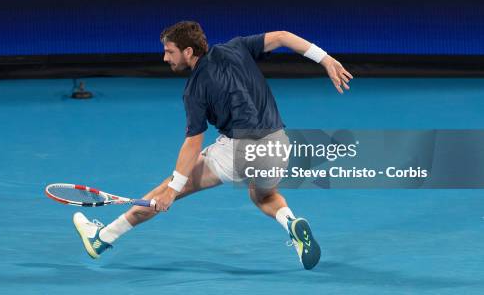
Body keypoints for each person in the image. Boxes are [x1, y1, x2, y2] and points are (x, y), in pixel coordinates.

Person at [73, 21, 352, 270]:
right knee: (264, 196)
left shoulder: (194, 89)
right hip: (278, 143)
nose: (165, 57)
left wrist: (173, 190)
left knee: (164, 188)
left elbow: (193, 143)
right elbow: (282, 36)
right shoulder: (236, 47)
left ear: (189, 52)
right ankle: (291, 223)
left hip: (238, 151)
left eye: (170, 52)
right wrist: (325, 59)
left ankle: (102, 239)